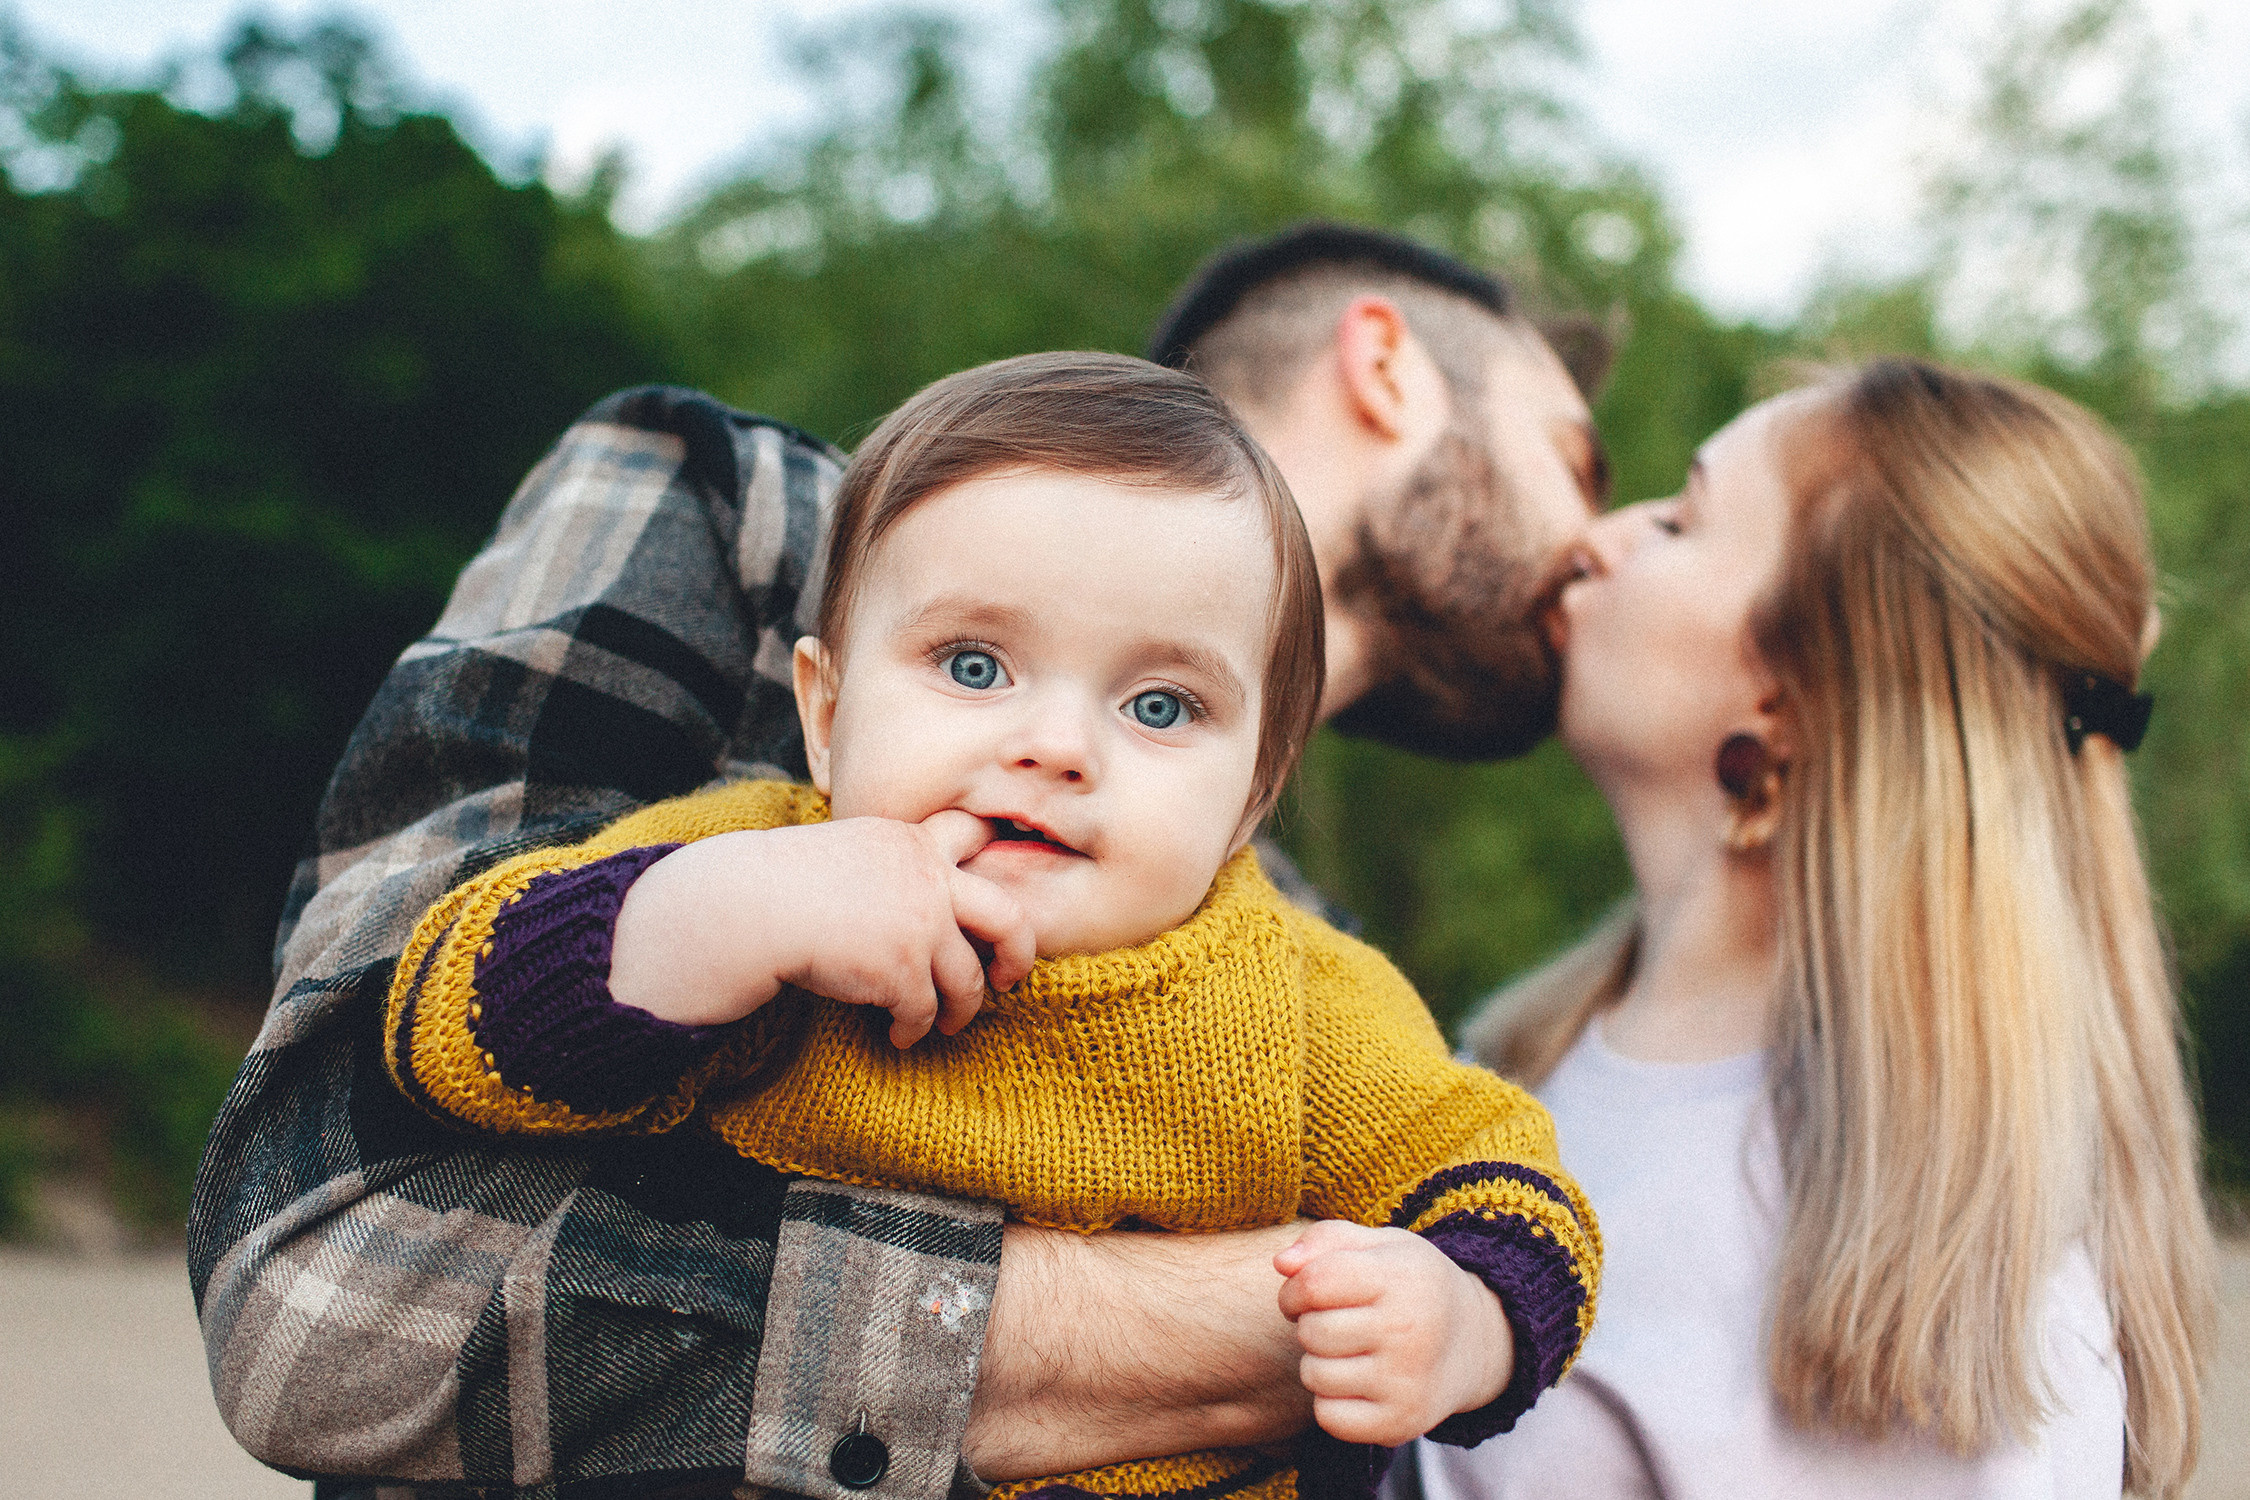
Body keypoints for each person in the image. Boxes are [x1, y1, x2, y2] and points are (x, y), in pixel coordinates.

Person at [187, 223, 1610, 1497]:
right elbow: (337, 1235)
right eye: (974, 664)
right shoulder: (745, 608)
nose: (1055, 744)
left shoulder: (1300, 971)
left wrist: (1460, 1312)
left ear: (1255, 788)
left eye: (1161, 706)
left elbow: (1485, 1174)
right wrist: (692, 924)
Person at [1395, 359, 2215, 1500]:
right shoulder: (1510, 1063)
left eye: (1681, 519)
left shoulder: (1931, 1324)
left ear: (1790, 699)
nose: (1599, 539)